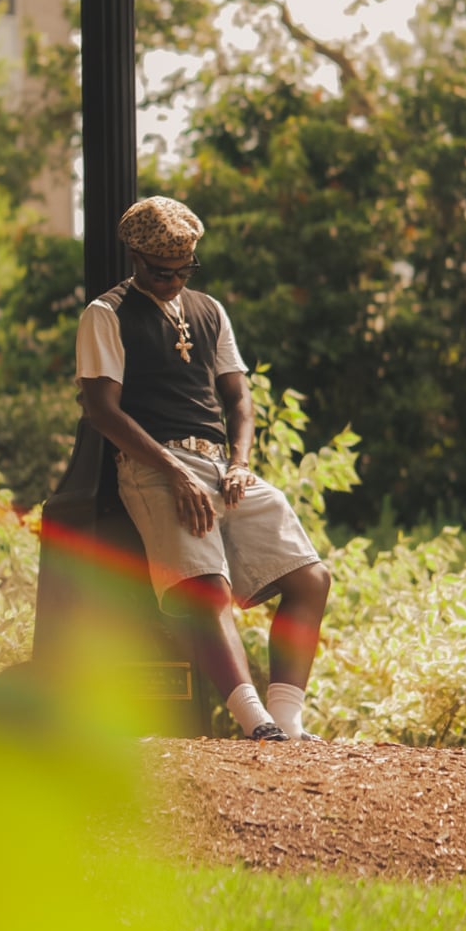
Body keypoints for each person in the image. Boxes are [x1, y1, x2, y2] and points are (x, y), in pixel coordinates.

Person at [76, 195, 330, 742]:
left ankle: (288, 720)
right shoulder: (107, 314)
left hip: (219, 466)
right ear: (134, 258)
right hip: (153, 466)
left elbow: (239, 398)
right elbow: (101, 410)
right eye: (158, 271)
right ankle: (256, 724)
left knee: (310, 577)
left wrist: (239, 463)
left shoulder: (210, 310)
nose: (170, 281)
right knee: (208, 590)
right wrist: (174, 470)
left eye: (181, 271)